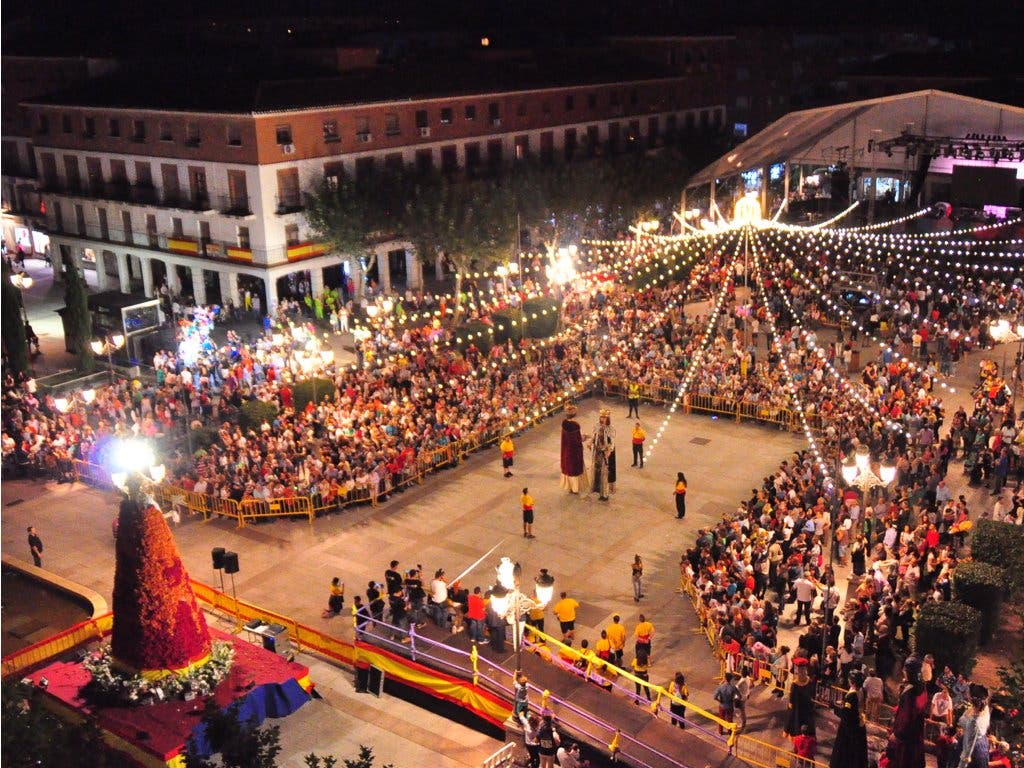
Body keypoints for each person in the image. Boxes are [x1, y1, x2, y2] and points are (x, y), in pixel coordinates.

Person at [891, 654, 929, 768]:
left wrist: (897, 734)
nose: (903, 672)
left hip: (905, 739)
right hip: (916, 733)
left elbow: (905, 718)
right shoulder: (922, 687)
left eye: (905, 670)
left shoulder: (910, 692)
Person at [830, 670, 868, 768]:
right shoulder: (862, 691)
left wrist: (835, 707)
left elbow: (846, 714)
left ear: (853, 682)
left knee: (845, 752)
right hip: (859, 723)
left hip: (849, 728)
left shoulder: (851, 695)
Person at [956, 686, 991, 768]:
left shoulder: (974, 721)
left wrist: (962, 764)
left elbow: (967, 751)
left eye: (968, 692)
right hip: (981, 743)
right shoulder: (983, 707)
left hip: (972, 748)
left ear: (971, 697)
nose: (966, 694)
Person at [784, 657, 816, 738]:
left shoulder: (795, 683)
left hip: (797, 707)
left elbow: (792, 697)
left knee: (795, 722)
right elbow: (812, 692)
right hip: (807, 706)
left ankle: (796, 740)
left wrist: (790, 705)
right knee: (807, 720)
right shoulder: (808, 680)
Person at [589, 408, 616, 500]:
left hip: (605, 453)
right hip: (597, 452)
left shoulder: (611, 428)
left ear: (607, 418)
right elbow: (594, 436)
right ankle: (597, 490)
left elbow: (612, 441)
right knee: (597, 472)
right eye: (601, 417)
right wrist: (590, 442)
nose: (602, 419)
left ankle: (604, 494)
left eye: (604, 417)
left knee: (605, 474)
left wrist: (609, 451)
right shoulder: (597, 426)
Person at [560, 405, 585, 494]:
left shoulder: (564, 424)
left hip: (566, 450)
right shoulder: (575, 426)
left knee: (568, 468)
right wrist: (584, 438)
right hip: (574, 451)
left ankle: (569, 487)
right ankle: (575, 488)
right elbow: (577, 439)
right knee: (574, 470)